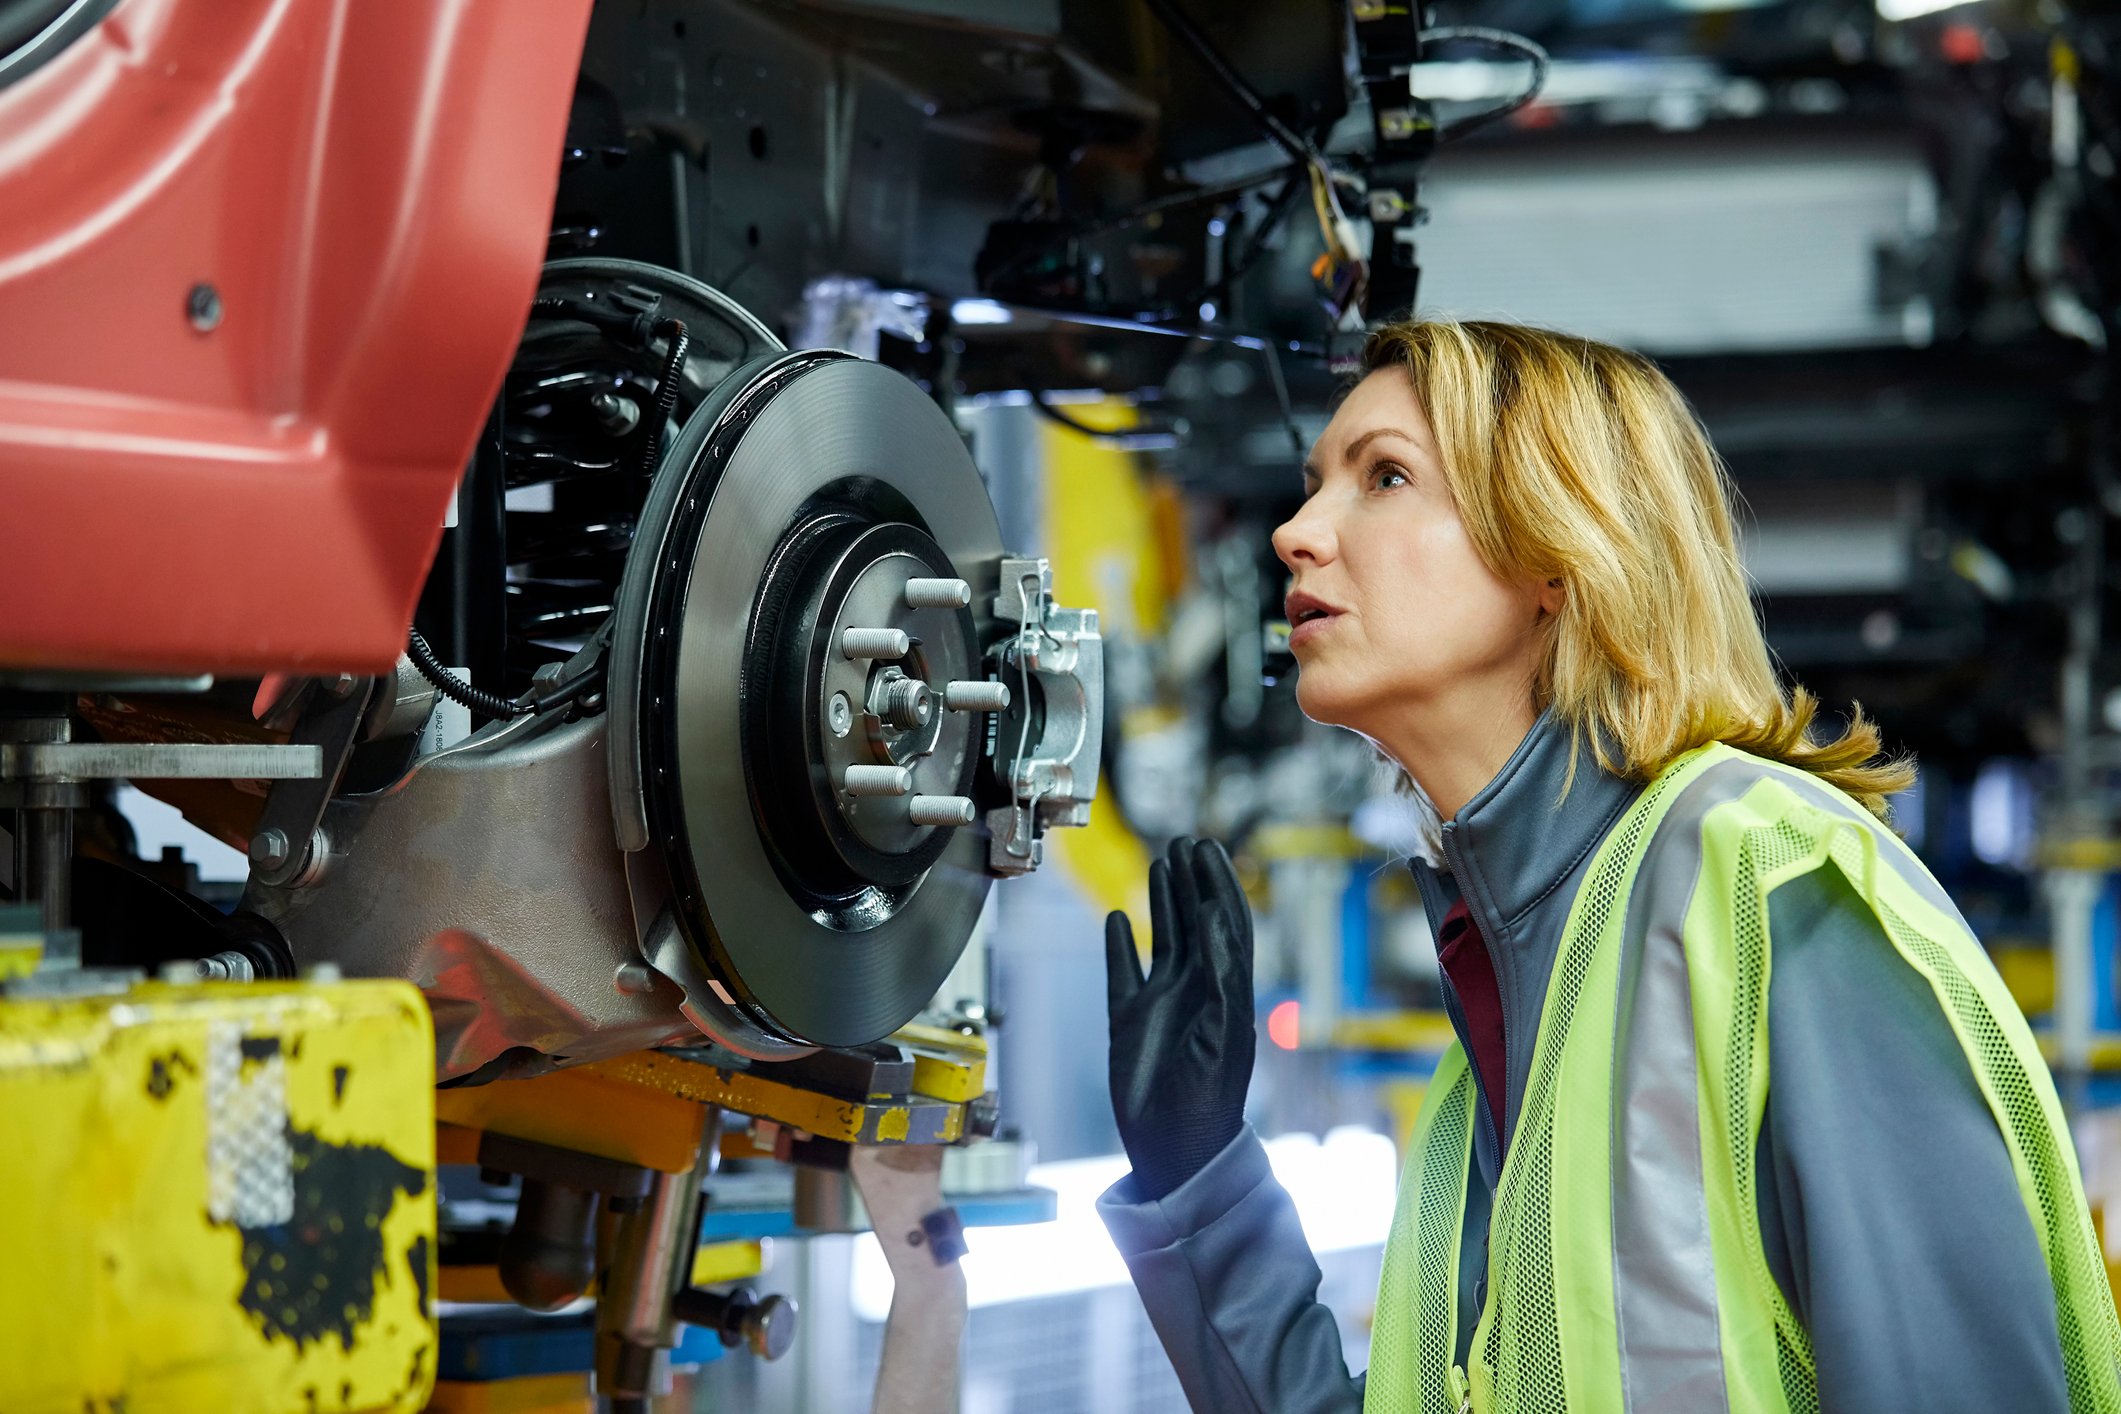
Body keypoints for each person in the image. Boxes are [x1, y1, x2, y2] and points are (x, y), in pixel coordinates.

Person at [1096, 319, 2121, 1413]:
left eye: (1384, 476)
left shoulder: (1771, 886)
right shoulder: (1492, 1030)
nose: (1297, 532)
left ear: (1554, 553)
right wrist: (1195, 1178)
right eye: (1310, 488)